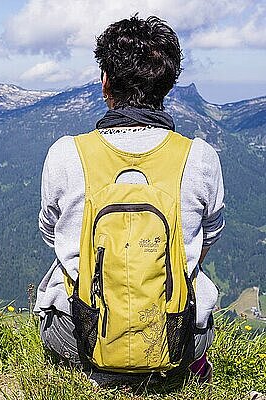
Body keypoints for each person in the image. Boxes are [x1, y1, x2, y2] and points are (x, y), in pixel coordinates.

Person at [33, 15, 224, 384]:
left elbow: (51, 233)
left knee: (52, 300)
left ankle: (87, 368)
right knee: (199, 314)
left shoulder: (66, 154)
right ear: (167, 86)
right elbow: (208, 238)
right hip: (178, 337)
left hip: (79, 335)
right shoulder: (200, 158)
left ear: (105, 83)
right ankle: (184, 369)